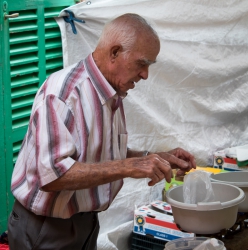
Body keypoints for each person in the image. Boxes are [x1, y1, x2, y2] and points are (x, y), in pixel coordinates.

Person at [8, 13, 196, 250]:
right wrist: (130, 167)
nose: (145, 75)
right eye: (142, 63)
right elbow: (53, 175)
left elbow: (101, 155)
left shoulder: (111, 94)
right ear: (115, 52)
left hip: (86, 223)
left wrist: (154, 158)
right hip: (47, 228)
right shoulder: (63, 94)